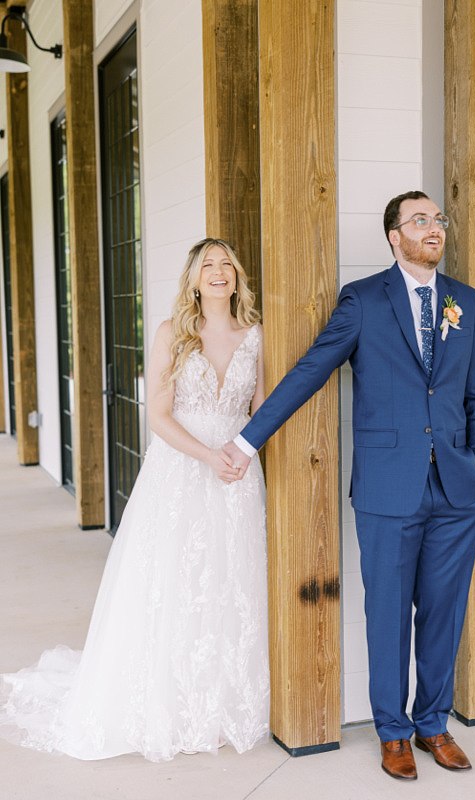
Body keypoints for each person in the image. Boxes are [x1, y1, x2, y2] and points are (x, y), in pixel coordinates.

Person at [224, 191, 475, 780]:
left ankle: (433, 724)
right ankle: (392, 732)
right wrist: (247, 441)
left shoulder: (464, 303)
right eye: (420, 220)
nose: (434, 228)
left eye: (438, 219)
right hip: (388, 491)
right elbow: (309, 371)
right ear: (395, 235)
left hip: (457, 489)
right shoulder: (365, 301)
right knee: (390, 613)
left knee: (444, 614)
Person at [0, 238, 269, 761]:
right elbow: (159, 417)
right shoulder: (173, 333)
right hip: (181, 474)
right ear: (193, 279)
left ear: (237, 277)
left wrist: (242, 454)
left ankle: (222, 703)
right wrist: (210, 456)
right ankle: (171, 702)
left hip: (237, 476)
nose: (218, 273)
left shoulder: (255, 335)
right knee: (173, 581)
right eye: (207, 266)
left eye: (226, 265)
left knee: (230, 581)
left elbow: (260, 407)